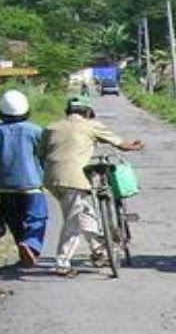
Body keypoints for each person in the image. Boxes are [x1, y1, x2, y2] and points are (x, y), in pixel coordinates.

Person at [39, 96, 145, 277]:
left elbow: (41, 154)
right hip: (74, 179)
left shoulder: (51, 127)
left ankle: (99, 248)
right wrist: (137, 145)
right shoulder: (91, 125)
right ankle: (62, 263)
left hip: (51, 178)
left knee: (84, 213)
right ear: (88, 113)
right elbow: (122, 145)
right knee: (73, 222)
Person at [0, 89, 47, 268]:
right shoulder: (35, 130)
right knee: (37, 218)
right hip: (31, 184)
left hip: (4, 186)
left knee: (14, 220)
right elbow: (42, 157)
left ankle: (22, 249)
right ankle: (31, 245)